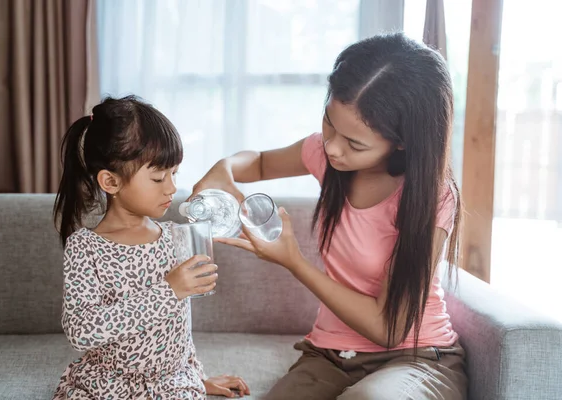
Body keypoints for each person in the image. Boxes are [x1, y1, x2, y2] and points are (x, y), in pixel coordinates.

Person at [192, 33, 467, 400]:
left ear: (402, 141)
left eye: (355, 143)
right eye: (329, 123)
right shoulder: (325, 155)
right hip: (330, 357)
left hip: (415, 357)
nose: (333, 147)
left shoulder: (431, 197)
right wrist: (223, 168)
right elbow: (257, 162)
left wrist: (295, 263)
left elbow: (388, 329)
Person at [52, 96, 250, 399]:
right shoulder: (85, 249)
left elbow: (181, 328)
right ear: (110, 181)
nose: (171, 187)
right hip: (107, 387)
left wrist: (198, 377)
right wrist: (168, 290)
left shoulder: (175, 237)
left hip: (171, 384)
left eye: (174, 174)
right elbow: (81, 331)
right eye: (158, 177)